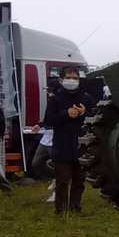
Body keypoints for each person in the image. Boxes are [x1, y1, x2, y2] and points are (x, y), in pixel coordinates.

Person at [44, 68, 91, 215]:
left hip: (81, 145)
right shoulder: (55, 99)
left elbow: (95, 118)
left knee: (79, 180)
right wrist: (66, 114)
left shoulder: (85, 98)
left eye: (75, 78)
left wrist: (84, 113)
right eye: (69, 77)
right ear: (61, 80)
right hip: (62, 144)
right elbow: (48, 120)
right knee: (63, 180)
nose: (72, 80)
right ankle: (61, 209)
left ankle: (75, 207)